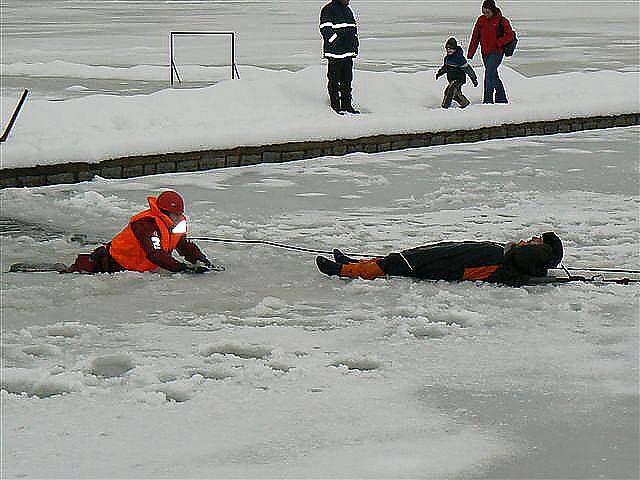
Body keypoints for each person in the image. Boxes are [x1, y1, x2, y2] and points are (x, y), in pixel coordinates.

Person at [316, 232, 564, 287]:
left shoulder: (543, 253)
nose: (533, 238)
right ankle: (353, 264)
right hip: (470, 256)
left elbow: (524, 259)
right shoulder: (533, 251)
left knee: (405, 262)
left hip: (464, 265)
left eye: (538, 239)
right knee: (407, 257)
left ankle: (344, 270)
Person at [66, 190, 214, 274]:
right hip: (109, 266)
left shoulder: (176, 223)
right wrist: (183, 268)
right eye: (175, 214)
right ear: (164, 212)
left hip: (135, 270)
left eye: (180, 214)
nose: (179, 218)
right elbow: (155, 254)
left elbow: (183, 245)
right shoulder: (146, 224)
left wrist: (201, 260)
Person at [467, 0, 515, 104]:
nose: (485, 14)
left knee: (489, 75)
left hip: (497, 52)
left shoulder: (502, 21)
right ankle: (501, 98)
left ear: (493, 10)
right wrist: (471, 52)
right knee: (493, 75)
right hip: (485, 53)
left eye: (487, 12)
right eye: (483, 12)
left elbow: (510, 35)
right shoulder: (481, 20)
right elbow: (475, 36)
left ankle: (487, 101)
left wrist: (499, 42)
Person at [320, 0, 360, 114]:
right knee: (334, 81)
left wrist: (354, 45)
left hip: (348, 54)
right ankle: (335, 106)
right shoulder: (328, 9)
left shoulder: (348, 10)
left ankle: (347, 106)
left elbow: (353, 30)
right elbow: (325, 30)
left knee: (347, 81)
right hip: (334, 54)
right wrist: (337, 43)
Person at [436, 37, 478, 109]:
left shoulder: (459, 58)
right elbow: (445, 67)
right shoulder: (447, 58)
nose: (449, 50)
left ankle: (445, 107)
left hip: (459, 79)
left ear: (455, 49)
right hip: (451, 79)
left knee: (450, 90)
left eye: (451, 48)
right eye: (447, 48)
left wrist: (474, 79)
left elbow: (468, 69)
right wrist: (440, 73)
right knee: (452, 93)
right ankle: (465, 103)